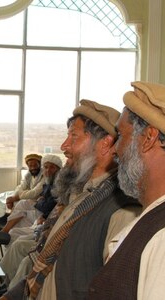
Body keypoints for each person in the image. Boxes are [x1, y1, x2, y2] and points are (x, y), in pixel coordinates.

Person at [0, 99, 141, 300]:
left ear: (105, 143)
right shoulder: (82, 198)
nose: (64, 146)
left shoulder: (122, 211)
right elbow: (49, 264)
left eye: (74, 136)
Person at [88, 81, 165, 299]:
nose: (114, 150)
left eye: (121, 136)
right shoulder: (151, 217)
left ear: (149, 138)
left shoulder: (162, 236)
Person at [0, 154, 62, 245]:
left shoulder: (55, 182)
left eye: (52, 167)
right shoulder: (44, 178)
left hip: (45, 215)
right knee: (22, 205)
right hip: (40, 208)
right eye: (46, 167)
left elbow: (42, 199)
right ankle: (6, 231)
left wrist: (40, 201)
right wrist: (13, 198)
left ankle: (6, 232)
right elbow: (20, 187)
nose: (48, 170)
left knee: (21, 212)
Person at [0, 153, 44, 226]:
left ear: (40, 164)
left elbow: (34, 192)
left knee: (19, 203)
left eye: (35, 165)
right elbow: (21, 186)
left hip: (36, 199)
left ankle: (8, 224)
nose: (33, 168)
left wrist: (16, 198)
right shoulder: (29, 174)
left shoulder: (44, 174)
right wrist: (12, 198)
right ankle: (2, 220)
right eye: (30, 166)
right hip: (26, 194)